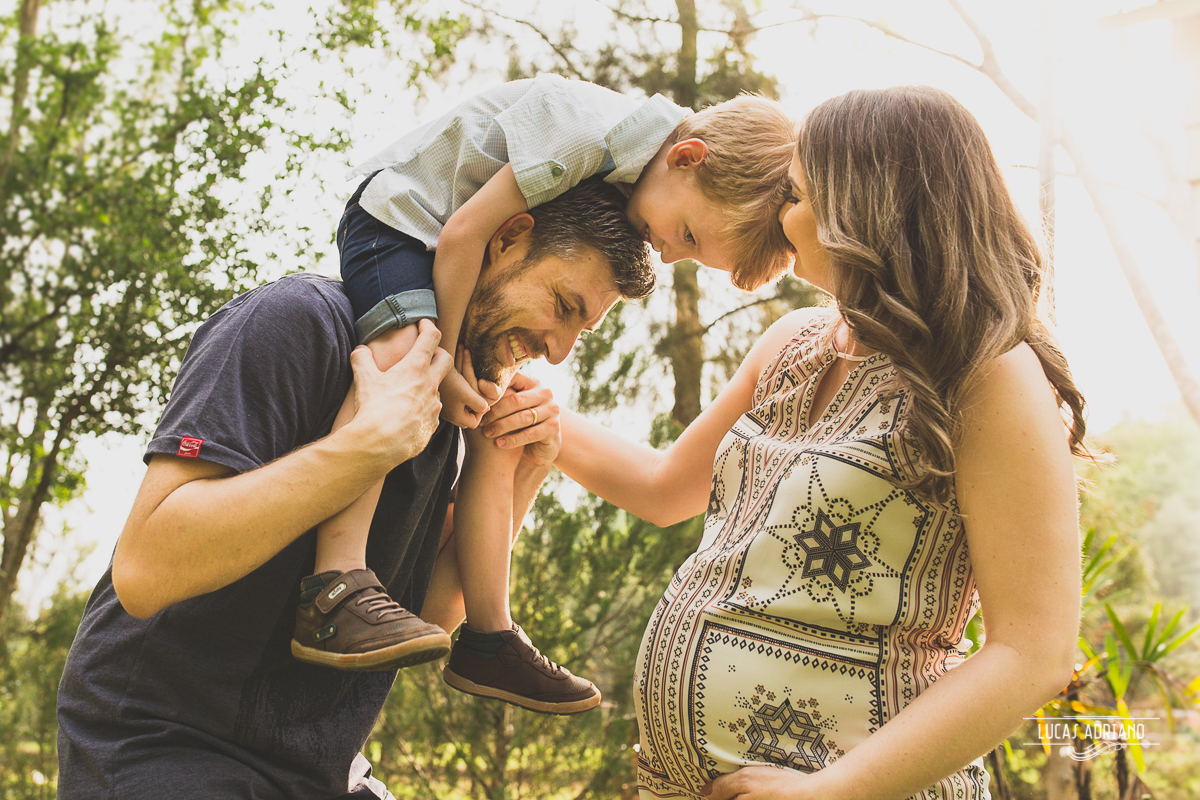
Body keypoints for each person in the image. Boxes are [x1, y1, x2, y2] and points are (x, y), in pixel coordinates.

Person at [522, 86, 1088, 799]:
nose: (780, 220)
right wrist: (524, 408)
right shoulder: (792, 344)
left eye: (794, 194)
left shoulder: (988, 375)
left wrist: (829, 791)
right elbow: (664, 488)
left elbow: (1034, 652)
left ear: (866, 205)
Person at [55, 179, 652, 799]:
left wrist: (517, 467)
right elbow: (149, 566)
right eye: (562, 304)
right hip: (163, 749)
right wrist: (368, 445)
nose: (558, 352)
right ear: (506, 240)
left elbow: (425, 615)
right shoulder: (299, 322)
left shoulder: (441, 402)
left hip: (318, 771)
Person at [303, 73, 799, 709]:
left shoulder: (633, 171)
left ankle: (488, 638)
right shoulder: (588, 132)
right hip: (403, 221)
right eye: (690, 236)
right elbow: (462, 234)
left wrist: (482, 385)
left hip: (459, 250)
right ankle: (335, 583)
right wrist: (444, 361)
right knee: (405, 365)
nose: (671, 254)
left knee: (498, 418)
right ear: (686, 157)